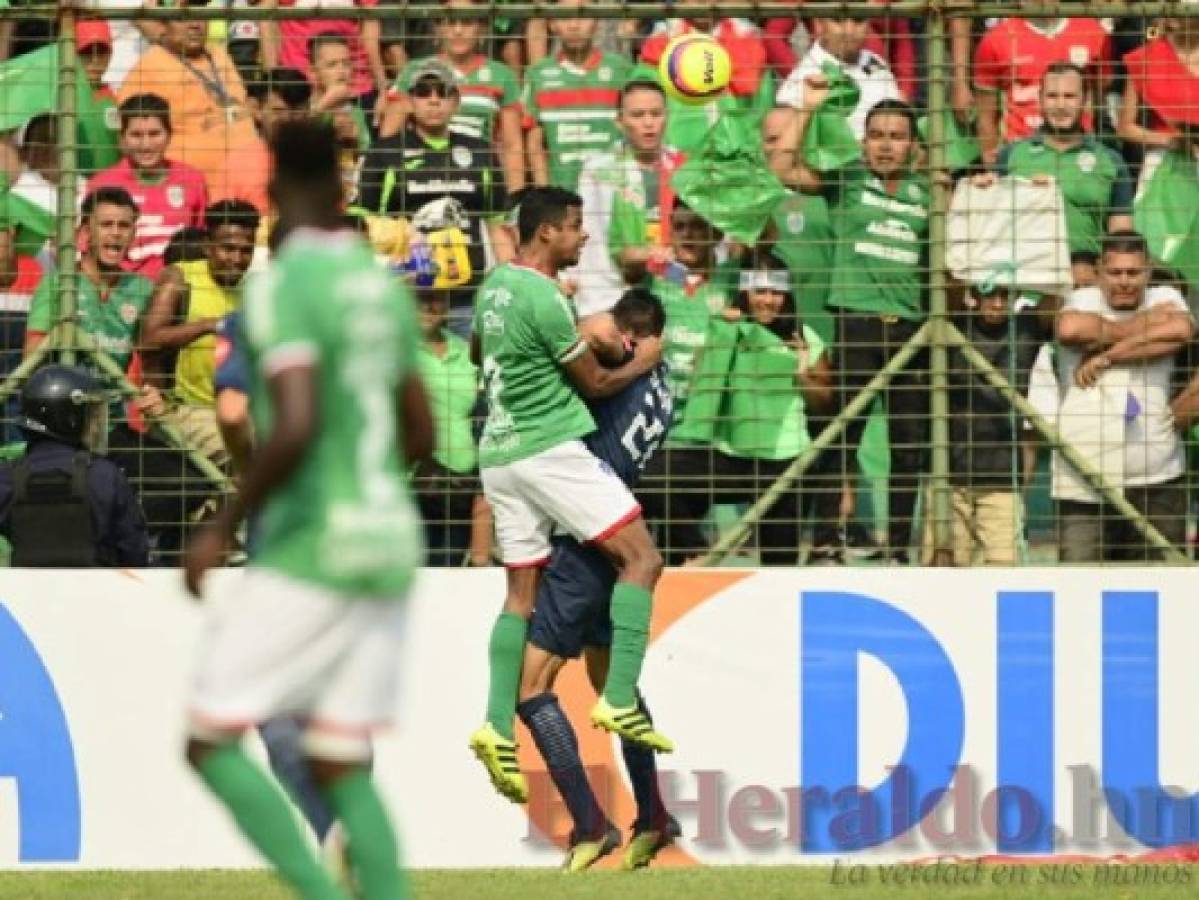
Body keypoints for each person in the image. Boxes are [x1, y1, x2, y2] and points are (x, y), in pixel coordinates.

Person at [182, 119, 431, 900]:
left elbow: (287, 419)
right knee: (340, 755)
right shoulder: (380, 287)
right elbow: (421, 429)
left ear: (276, 190)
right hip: (390, 536)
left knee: (207, 737)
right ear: (342, 183)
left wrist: (223, 522)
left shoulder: (284, 283)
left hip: (316, 540)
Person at [468, 186, 669, 806]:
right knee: (643, 560)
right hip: (548, 450)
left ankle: (495, 726)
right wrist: (646, 358)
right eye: (577, 227)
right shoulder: (546, 297)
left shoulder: (496, 286)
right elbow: (601, 380)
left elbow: (480, 351)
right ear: (548, 231)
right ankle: (618, 699)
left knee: (518, 597)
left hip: (497, 457)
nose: (584, 238)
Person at [518, 288, 680, 871]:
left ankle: (590, 825)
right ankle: (655, 815)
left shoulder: (620, 361)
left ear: (629, 337)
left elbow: (592, 338)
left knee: (530, 686)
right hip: (619, 527)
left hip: (585, 539)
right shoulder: (664, 389)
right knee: (615, 687)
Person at [24, 186, 213, 561]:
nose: (115, 233)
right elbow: (32, 358)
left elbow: (149, 363)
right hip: (60, 428)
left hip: (110, 426)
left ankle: (120, 546)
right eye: (106, 224)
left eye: (124, 226)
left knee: (193, 482)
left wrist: (154, 392)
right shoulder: (61, 285)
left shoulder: (140, 290)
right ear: (85, 232)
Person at [791, 93, 931, 563]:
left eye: (896, 137)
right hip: (856, 323)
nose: (886, 147)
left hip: (911, 328)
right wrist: (808, 109)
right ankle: (828, 541)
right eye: (876, 136)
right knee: (841, 438)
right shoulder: (848, 179)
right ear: (863, 141)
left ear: (914, 145)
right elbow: (786, 171)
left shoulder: (931, 192)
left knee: (908, 445)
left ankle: (897, 547)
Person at [1053, 230, 1194, 561]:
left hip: (1157, 476)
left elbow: (1180, 331)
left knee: (1163, 587)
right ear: (1100, 271)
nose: (1125, 282)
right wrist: (1142, 328)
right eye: (1115, 273)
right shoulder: (1082, 299)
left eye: (1133, 272)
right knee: (1079, 588)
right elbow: (1071, 330)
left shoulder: (1166, 297)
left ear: (1147, 271)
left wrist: (1107, 355)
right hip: (1085, 477)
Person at [360, 59, 512, 337]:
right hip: (406, 299)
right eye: (423, 92)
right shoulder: (384, 153)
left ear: (456, 102)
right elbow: (365, 224)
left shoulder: (480, 151)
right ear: (409, 101)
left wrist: (512, 287)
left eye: (442, 93)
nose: (433, 101)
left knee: (471, 377)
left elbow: (497, 226)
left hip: (469, 299)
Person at [923, 273, 1053, 566]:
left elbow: (1056, 295)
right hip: (949, 475)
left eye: (1004, 296)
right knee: (941, 576)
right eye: (990, 295)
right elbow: (947, 284)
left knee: (1004, 573)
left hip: (1001, 479)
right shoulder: (956, 323)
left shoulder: (1025, 329)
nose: (996, 305)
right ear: (975, 295)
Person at [714, 261, 834, 565]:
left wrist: (802, 370)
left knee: (779, 562)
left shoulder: (804, 336)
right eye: (759, 291)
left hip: (785, 458)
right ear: (744, 293)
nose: (768, 300)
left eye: (776, 292)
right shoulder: (728, 328)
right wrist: (720, 333)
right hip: (730, 456)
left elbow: (826, 402)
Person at [637, 203, 735, 565]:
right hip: (657, 428)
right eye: (679, 227)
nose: (688, 235)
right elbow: (627, 259)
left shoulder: (730, 280)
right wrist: (652, 256)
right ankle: (698, 554)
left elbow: (765, 238)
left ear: (717, 234)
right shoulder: (658, 278)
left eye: (698, 226)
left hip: (705, 429)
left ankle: (696, 558)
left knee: (679, 530)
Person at [140, 200, 260, 466]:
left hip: (242, 409)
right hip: (186, 409)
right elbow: (148, 340)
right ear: (208, 246)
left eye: (246, 251)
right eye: (228, 249)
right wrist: (209, 325)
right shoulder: (180, 278)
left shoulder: (254, 290)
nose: (237, 259)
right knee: (246, 453)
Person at [118, 4, 269, 210]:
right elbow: (130, 138)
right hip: (193, 197)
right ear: (165, 24)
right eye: (184, 18)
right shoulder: (150, 66)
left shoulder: (218, 55)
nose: (195, 25)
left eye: (201, 16)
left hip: (249, 191)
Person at [0, 364, 148, 567]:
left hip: (27, 596)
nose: (95, 425)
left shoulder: (7, 477)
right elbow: (134, 552)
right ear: (69, 417)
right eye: (90, 416)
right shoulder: (105, 475)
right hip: (94, 594)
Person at [379, 0, 526, 191]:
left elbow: (512, 146)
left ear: (481, 28)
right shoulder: (414, 71)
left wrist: (515, 203)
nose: (458, 30)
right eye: (450, 22)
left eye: (466, 23)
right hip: (421, 181)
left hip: (477, 180)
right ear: (438, 29)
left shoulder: (502, 75)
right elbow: (388, 137)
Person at [994, 64, 1134, 257]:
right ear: (1040, 100)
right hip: (1025, 276)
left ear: (1085, 100)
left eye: (1069, 96)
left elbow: (1121, 240)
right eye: (1052, 96)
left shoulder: (1110, 160)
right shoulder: (1011, 156)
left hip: (1086, 278)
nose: (1060, 105)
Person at [573, 79, 686, 316]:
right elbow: (587, 235)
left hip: (674, 292)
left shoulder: (683, 167)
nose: (648, 123)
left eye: (656, 114)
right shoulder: (599, 172)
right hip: (610, 297)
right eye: (637, 115)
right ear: (620, 121)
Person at [86, 93, 209, 281]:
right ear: (122, 138)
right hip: (123, 290)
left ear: (169, 135)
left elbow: (201, 240)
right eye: (136, 135)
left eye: (154, 134)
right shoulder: (102, 184)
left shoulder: (192, 179)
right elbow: (87, 250)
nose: (146, 145)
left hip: (181, 287)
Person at [412, 289, 491, 566]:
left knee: (447, 577)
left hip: (458, 488)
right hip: (409, 486)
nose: (428, 305)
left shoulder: (465, 350)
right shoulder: (394, 349)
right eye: (418, 297)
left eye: (435, 297)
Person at [973, 12, 1111, 165]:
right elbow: (985, 116)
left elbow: (1099, 95)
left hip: (1079, 154)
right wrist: (993, 165)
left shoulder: (1092, 31)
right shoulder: (997, 38)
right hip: (1020, 155)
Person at [523, 0, 630, 191]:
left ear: (596, 21)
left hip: (613, 195)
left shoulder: (621, 70)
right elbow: (535, 144)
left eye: (582, 15)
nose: (574, 25)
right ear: (552, 24)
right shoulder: (537, 74)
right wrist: (545, 194)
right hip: (562, 196)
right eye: (565, 17)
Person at [776, 16, 901, 139]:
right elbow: (786, 151)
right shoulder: (803, 81)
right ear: (819, 24)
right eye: (838, 20)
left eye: (859, 20)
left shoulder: (873, 60)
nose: (849, 31)